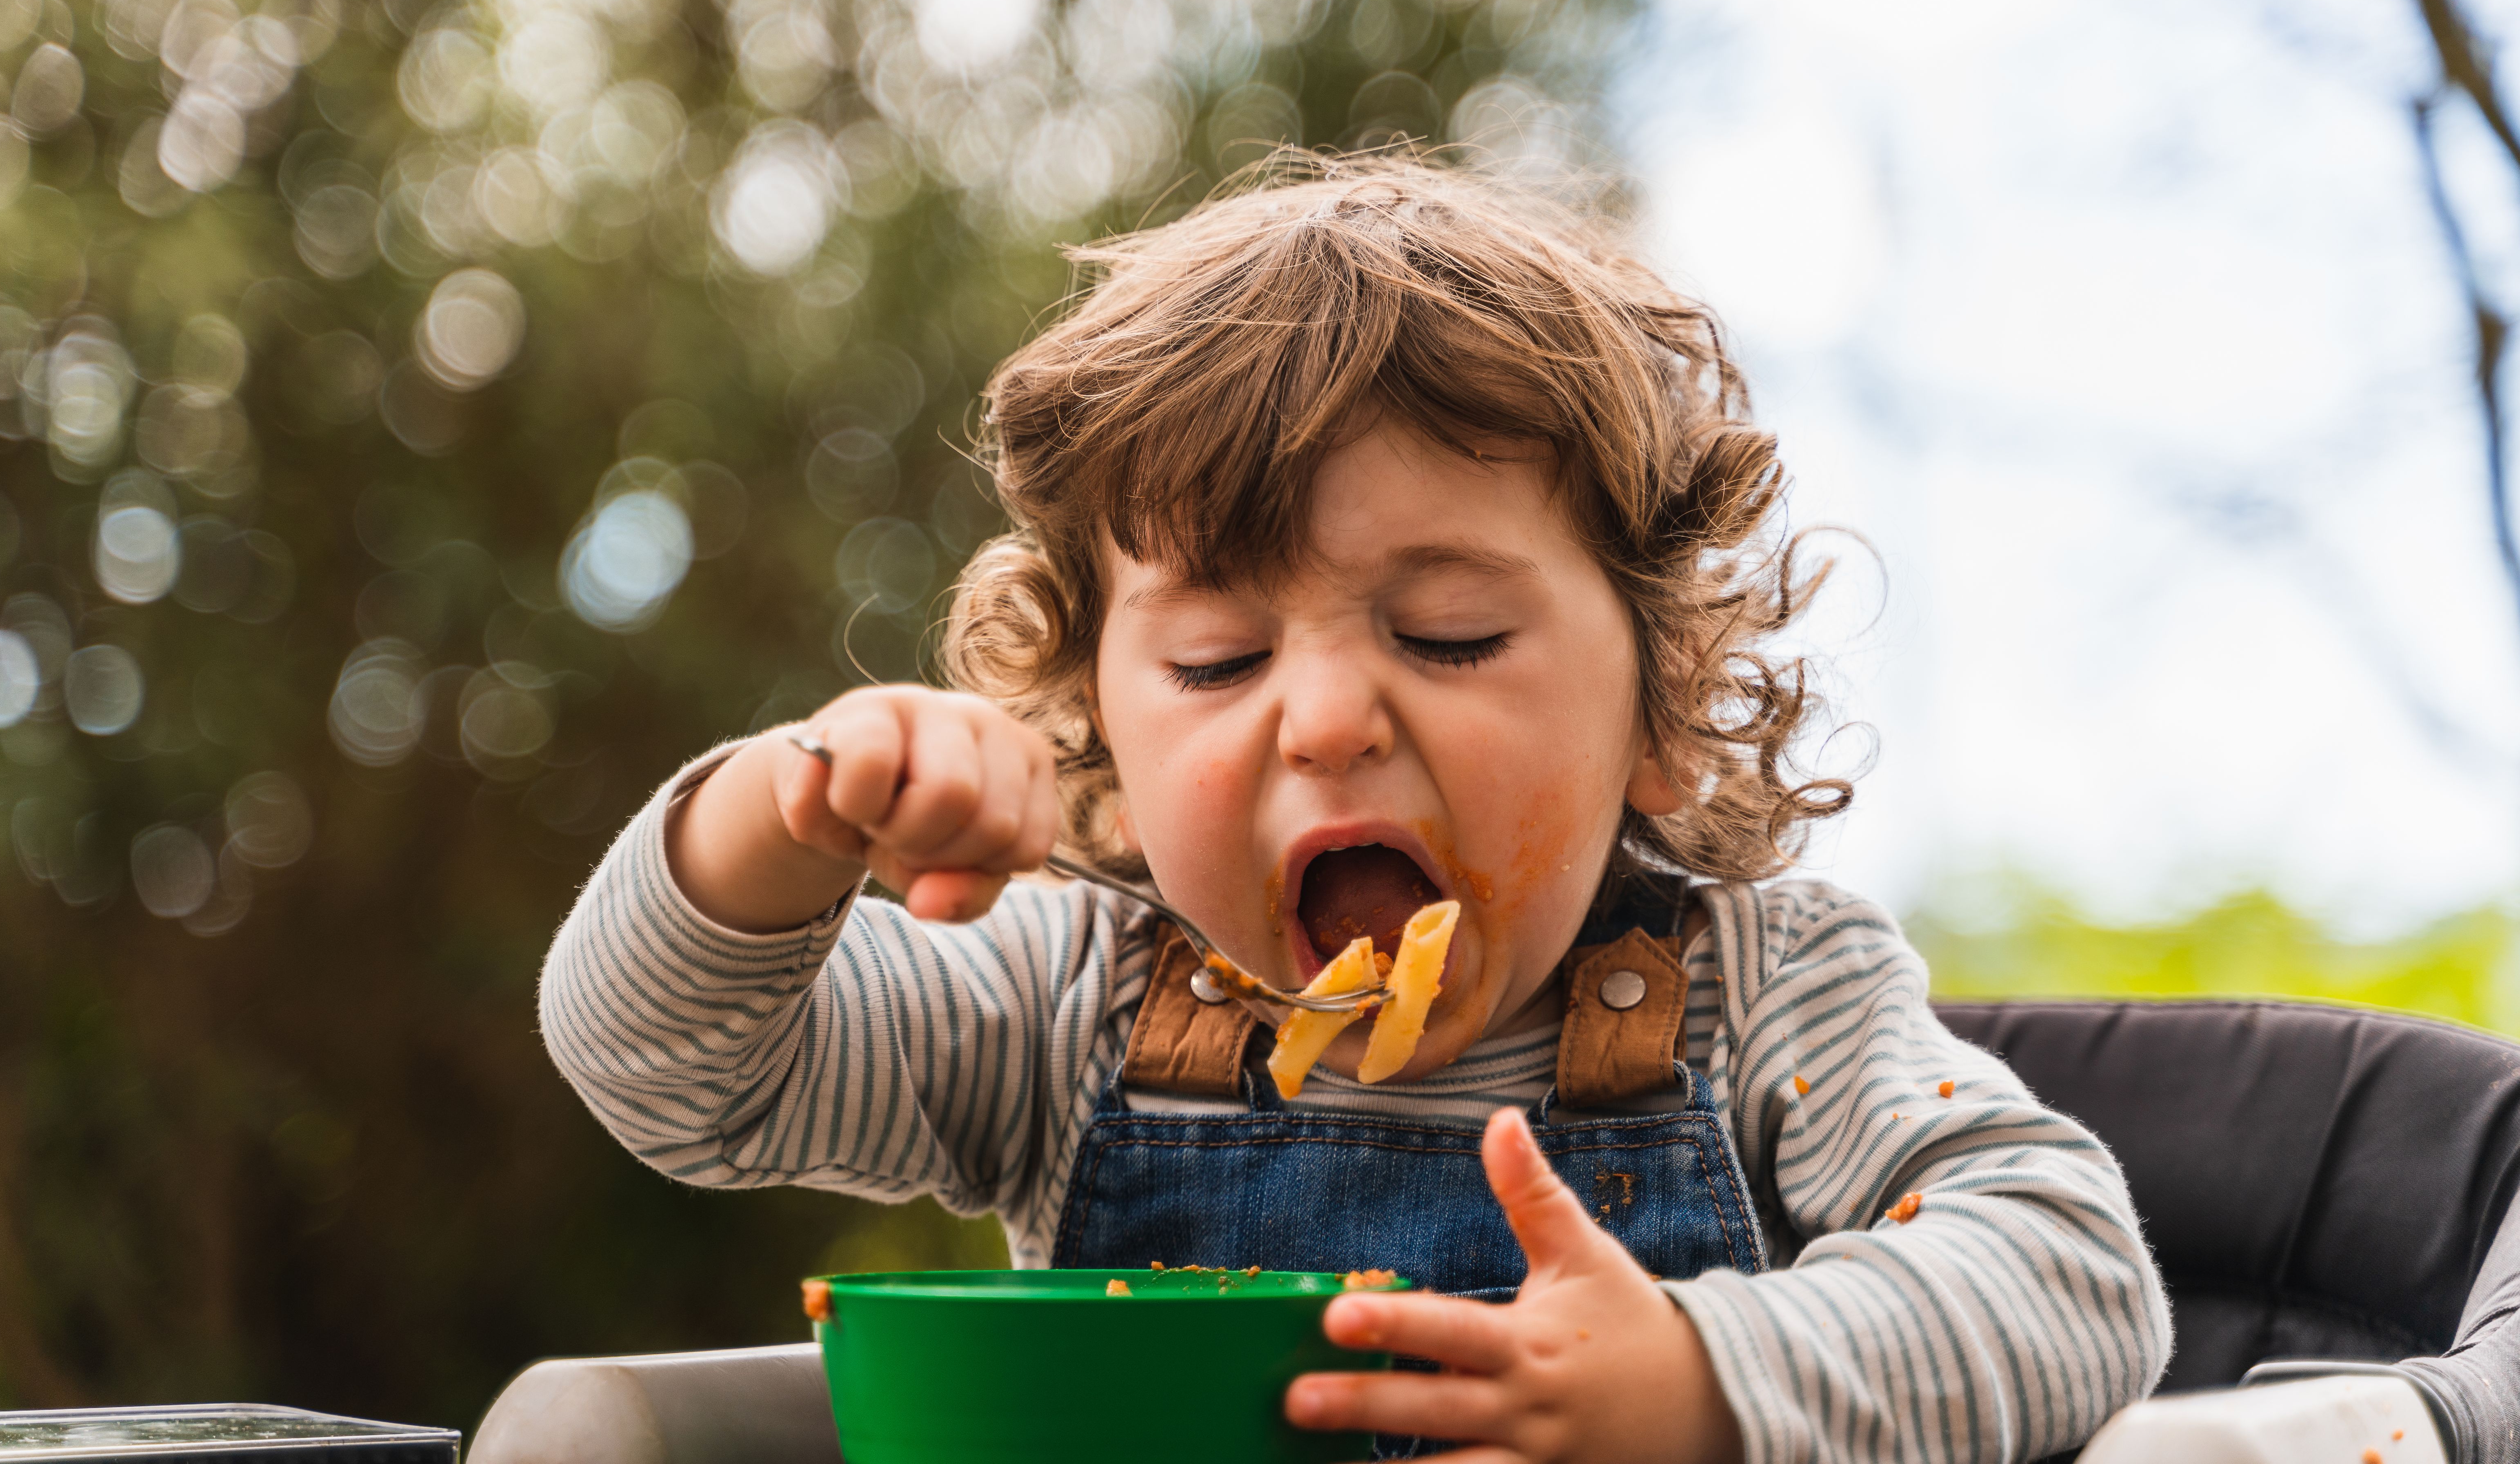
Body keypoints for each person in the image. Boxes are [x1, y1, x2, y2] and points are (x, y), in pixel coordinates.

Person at [539, 155, 2170, 1462]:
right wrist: (793, 809)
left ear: (1660, 707)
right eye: (1218, 656)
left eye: (1447, 634)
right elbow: (668, 1070)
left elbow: (2067, 1272)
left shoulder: (1765, 999)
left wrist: (1700, 1380)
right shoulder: (1068, 996)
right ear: (1097, 716)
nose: (1323, 718)